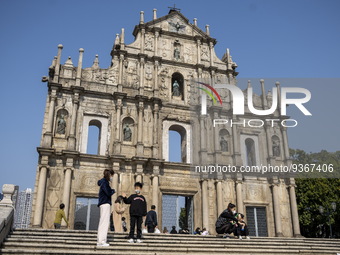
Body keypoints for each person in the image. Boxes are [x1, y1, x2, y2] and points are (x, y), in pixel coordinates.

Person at [97, 169, 115, 247]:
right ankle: (102, 241)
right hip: (105, 203)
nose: (112, 177)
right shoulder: (105, 182)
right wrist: (112, 191)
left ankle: (100, 240)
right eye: (111, 175)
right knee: (104, 223)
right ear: (109, 175)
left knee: (103, 222)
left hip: (103, 203)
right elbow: (108, 192)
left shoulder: (103, 182)